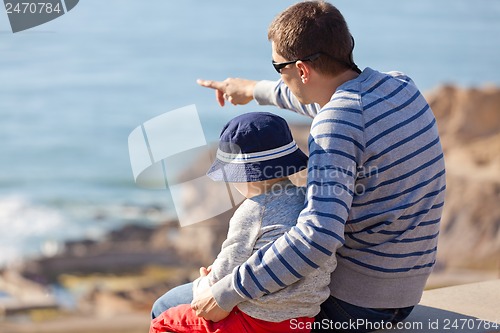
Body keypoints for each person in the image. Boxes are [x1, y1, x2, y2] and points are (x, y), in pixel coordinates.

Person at [154, 1, 446, 332]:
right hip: (404, 292)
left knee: (167, 307)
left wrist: (225, 292)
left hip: (355, 304)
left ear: (303, 69)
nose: (280, 74)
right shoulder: (399, 86)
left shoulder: (335, 124)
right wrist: (252, 90)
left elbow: (318, 236)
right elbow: (327, 100)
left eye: (279, 67)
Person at [150, 112, 336, 333]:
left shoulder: (254, 210)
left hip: (256, 320)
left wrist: (204, 282)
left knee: (163, 317)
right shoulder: (310, 201)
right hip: (302, 320)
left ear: (245, 175)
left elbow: (223, 275)